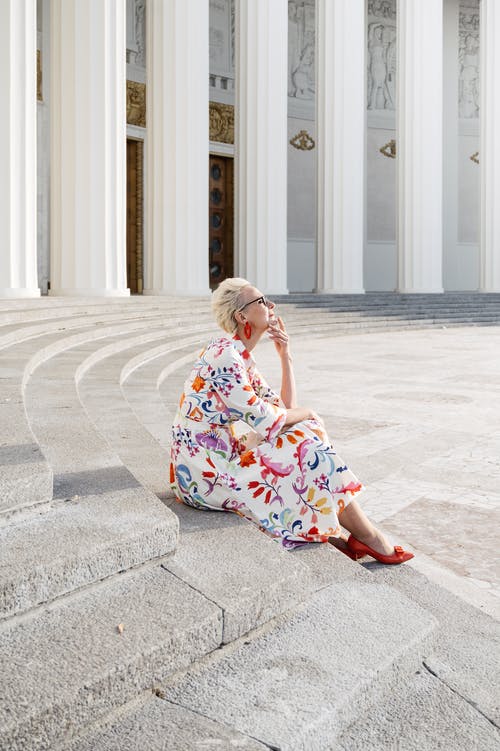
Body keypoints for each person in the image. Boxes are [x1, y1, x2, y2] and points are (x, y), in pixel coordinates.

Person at [169, 278, 413, 564]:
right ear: (242, 315)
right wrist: (308, 413)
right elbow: (268, 420)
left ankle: (349, 533)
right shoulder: (225, 356)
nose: (271, 306)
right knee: (305, 437)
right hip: (203, 472)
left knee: (303, 435)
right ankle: (366, 537)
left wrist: (286, 357)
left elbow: (283, 410)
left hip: (219, 455)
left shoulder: (240, 356)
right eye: (261, 301)